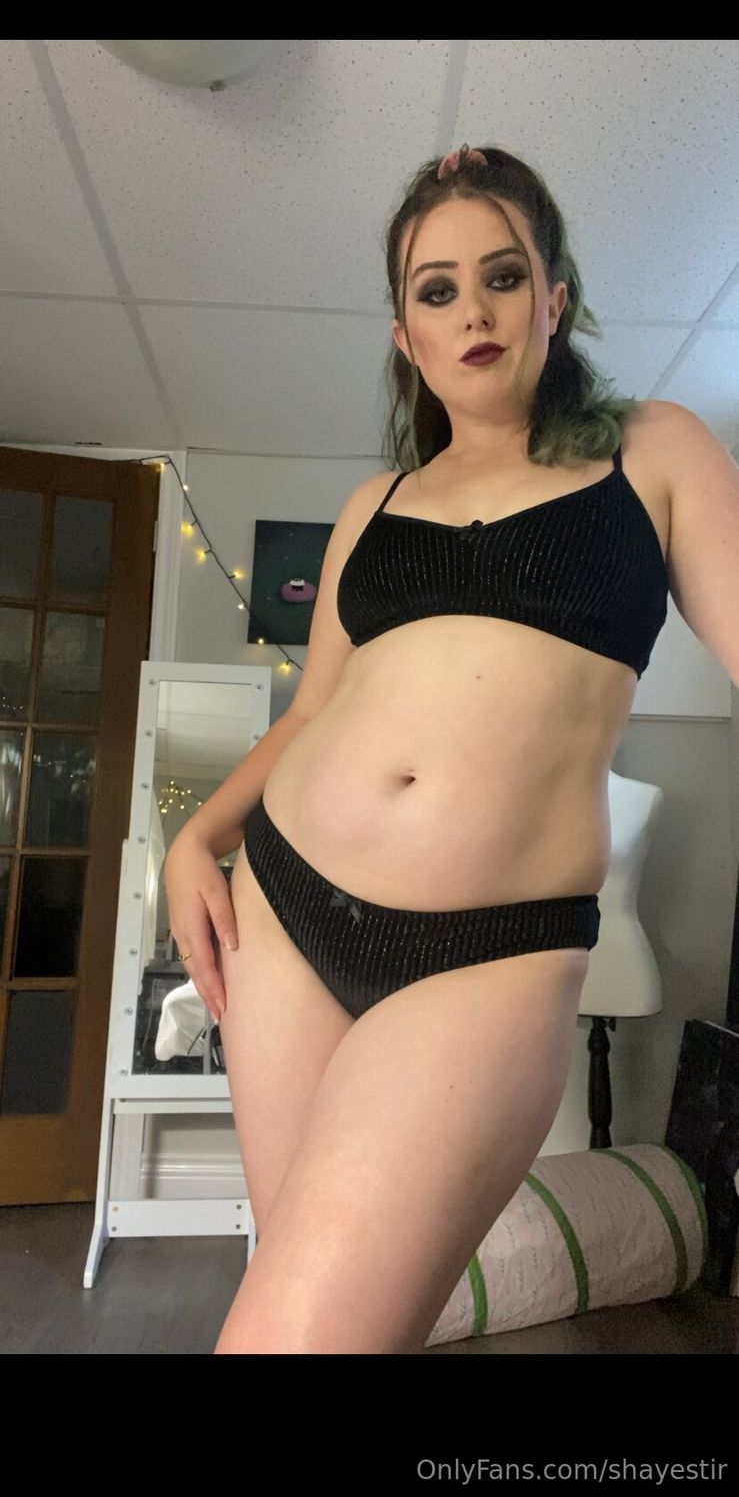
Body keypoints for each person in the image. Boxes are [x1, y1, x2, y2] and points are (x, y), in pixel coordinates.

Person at [164, 143, 672, 1353]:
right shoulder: (373, 507)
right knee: (309, 1292)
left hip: (488, 956)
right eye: (437, 290)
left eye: (503, 275)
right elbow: (311, 716)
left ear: (553, 299)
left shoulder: (648, 454)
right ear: (407, 335)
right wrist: (197, 835)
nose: (473, 310)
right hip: (286, 910)